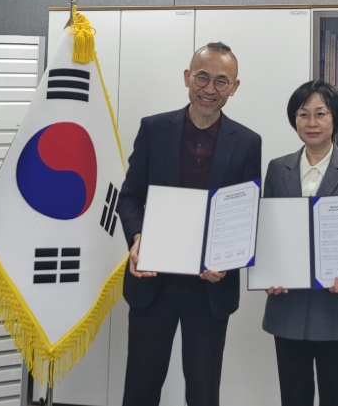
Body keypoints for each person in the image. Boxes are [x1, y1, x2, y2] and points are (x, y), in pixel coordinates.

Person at [116, 42, 262, 406]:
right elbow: (129, 197)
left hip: (209, 289)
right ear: (187, 77)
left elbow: (245, 215)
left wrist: (228, 259)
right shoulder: (153, 129)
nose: (210, 89)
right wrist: (137, 237)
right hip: (153, 282)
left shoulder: (247, 142)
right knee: (140, 389)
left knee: (203, 392)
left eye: (221, 81)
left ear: (234, 87)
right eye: (202, 77)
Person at [262, 80, 338, 406]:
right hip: (288, 307)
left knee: (336, 398)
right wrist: (270, 273)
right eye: (303, 114)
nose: (311, 122)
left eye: (320, 114)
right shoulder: (277, 168)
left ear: (334, 118)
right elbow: (270, 232)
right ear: (294, 119)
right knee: (293, 398)